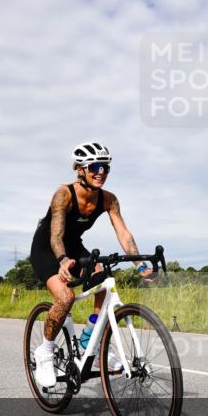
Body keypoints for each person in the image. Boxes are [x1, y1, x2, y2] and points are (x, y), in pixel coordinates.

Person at [29, 141, 151, 387]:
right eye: (95, 166)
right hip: (47, 249)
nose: (101, 172)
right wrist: (62, 261)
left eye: (106, 167)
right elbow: (56, 235)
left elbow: (124, 233)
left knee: (104, 283)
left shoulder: (109, 199)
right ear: (79, 169)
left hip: (74, 247)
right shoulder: (63, 194)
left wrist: (140, 264)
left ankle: (88, 342)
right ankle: (45, 351)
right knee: (65, 298)